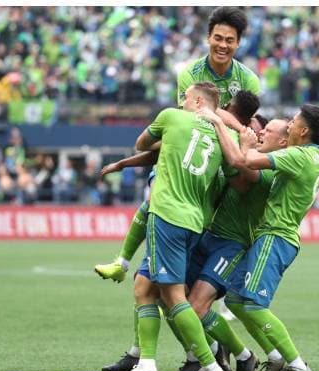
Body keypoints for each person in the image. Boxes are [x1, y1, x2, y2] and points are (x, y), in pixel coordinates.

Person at [94, 6, 260, 286]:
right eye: (218, 38)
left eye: (230, 40)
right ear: (208, 37)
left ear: (239, 43)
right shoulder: (190, 73)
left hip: (223, 153)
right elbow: (191, 119)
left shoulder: (248, 79)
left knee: (206, 221)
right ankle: (123, 262)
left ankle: (184, 281)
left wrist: (228, 123)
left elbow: (244, 121)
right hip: (192, 144)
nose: (223, 45)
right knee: (156, 195)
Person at [200, 104, 319, 371]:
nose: (290, 124)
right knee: (236, 301)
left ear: (303, 130)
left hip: (275, 234)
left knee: (255, 305)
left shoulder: (298, 156)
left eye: (294, 121)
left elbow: (245, 161)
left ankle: (298, 366)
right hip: (275, 235)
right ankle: (274, 357)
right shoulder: (318, 157)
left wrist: (243, 140)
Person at [125, 82, 227, 371]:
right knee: (144, 288)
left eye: (185, 97)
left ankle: (209, 365)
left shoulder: (171, 116)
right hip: (195, 221)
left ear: (197, 100)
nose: (181, 101)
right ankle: (145, 362)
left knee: (173, 297)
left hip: (167, 215)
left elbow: (141, 144)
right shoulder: (222, 137)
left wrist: (167, 142)